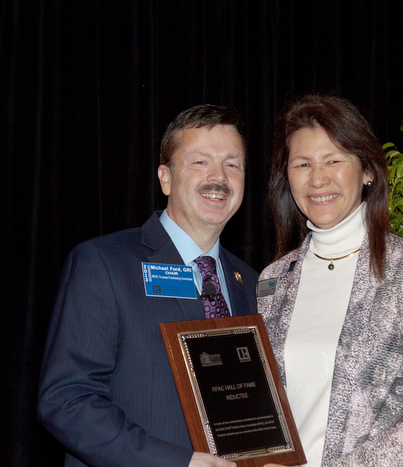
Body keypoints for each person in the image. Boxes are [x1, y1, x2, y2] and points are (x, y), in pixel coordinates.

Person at [38, 104, 259, 467]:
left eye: (232, 165)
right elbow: (66, 400)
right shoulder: (104, 263)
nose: (218, 177)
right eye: (200, 162)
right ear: (165, 178)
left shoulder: (251, 283)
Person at [257, 94, 403, 467]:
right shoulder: (273, 281)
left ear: (367, 171)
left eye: (333, 160)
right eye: (302, 164)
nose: (317, 178)